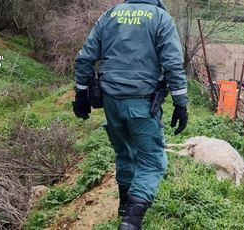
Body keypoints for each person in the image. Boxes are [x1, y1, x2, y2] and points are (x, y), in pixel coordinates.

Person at [73, 0, 188, 229]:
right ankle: (131, 221)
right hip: (142, 102)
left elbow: (85, 57)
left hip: (111, 101)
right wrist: (180, 104)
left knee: (125, 152)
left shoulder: (110, 15)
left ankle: (125, 205)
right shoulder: (160, 17)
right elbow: (173, 63)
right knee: (152, 161)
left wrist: (81, 94)